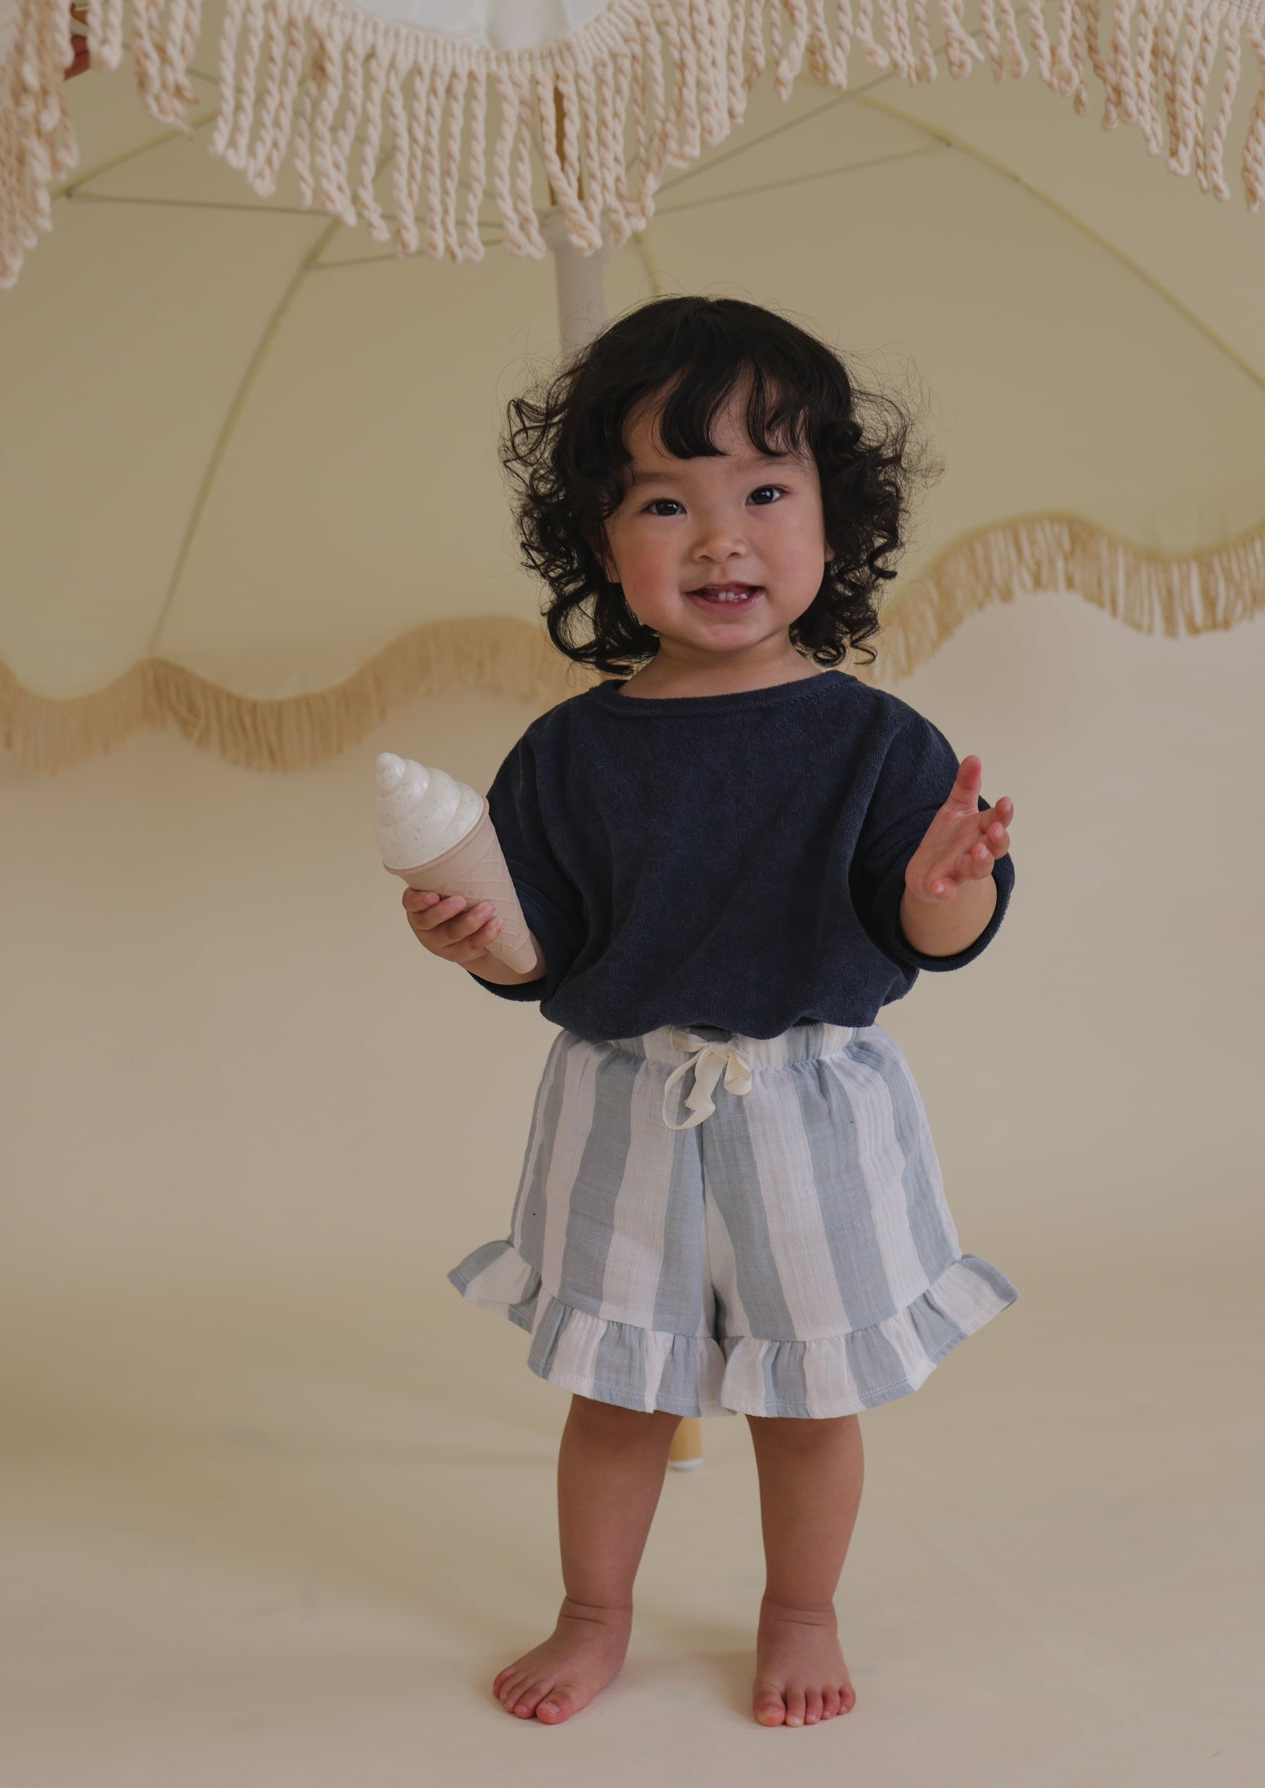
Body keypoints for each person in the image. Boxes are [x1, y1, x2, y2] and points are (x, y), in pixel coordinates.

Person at [401, 295, 1018, 1730]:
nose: (719, 538)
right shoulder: (566, 753)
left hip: (812, 1107)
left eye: (761, 490)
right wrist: (476, 937)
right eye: (663, 502)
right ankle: (592, 1608)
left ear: (832, 513)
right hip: (623, 1104)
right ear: (600, 544)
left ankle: (797, 1606)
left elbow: (929, 935)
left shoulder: (876, 741)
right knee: (618, 1393)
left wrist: (948, 881)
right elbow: (541, 957)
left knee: (808, 1399)